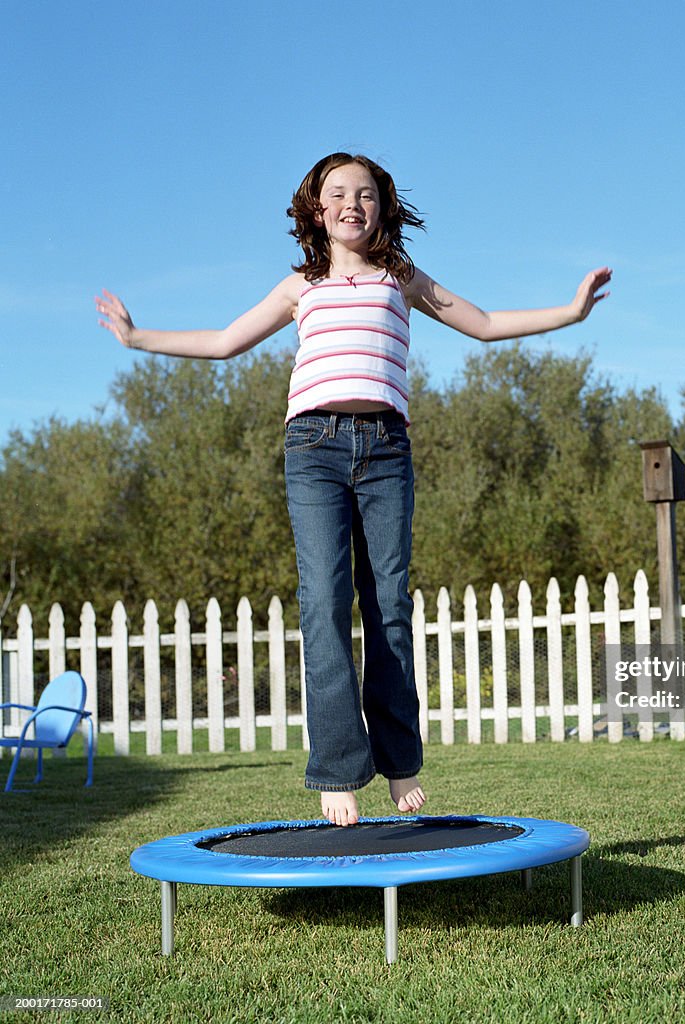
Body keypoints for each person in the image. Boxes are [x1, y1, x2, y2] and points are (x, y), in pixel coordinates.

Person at [96, 152, 611, 826]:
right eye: (337, 193)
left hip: (386, 451)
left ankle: (399, 763)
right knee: (325, 603)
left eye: (365, 194)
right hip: (313, 450)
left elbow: (483, 325)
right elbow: (226, 341)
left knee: (389, 604)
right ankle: (338, 768)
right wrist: (137, 338)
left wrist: (570, 314)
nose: (351, 203)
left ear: (382, 208)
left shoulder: (400, 277)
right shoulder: (299, 285)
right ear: (316, 209)